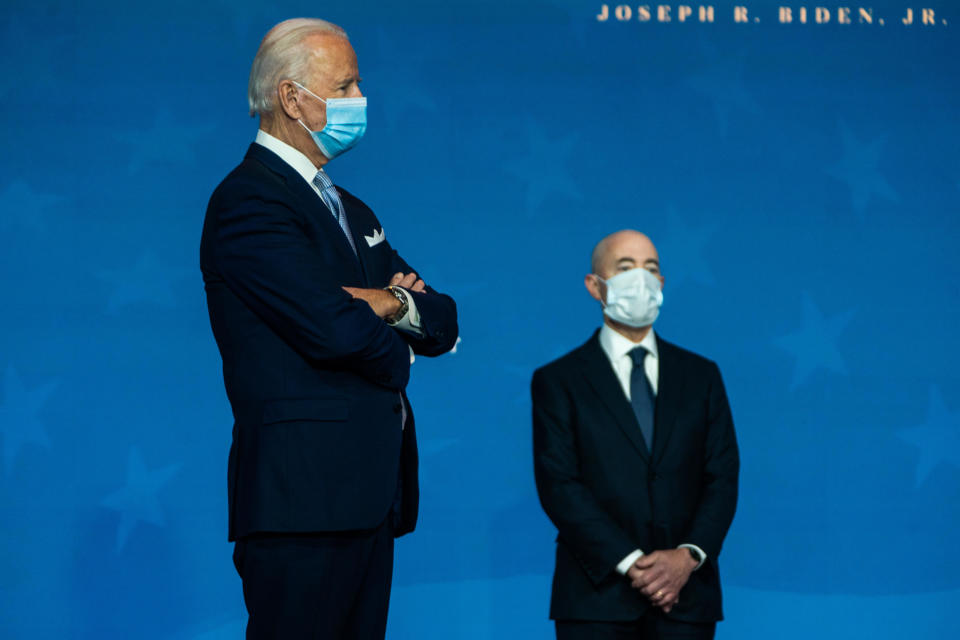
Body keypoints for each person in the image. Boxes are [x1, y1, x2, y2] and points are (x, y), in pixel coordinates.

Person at [199, 18, 458, 640]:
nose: (359, 99)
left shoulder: (355, 210)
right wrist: (396, 344)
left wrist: (390, 304)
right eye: (345, 85)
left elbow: (443, 321)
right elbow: (332, 329)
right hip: (302, 505)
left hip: (369, 500)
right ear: (293, 98)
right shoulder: (249, 202)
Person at [531, 230, 738, 640]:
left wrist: (686, 557)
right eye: (625, 268)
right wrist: (631, 563)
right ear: (595, 286)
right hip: (595, 596)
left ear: (661, 285)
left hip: (687, 598)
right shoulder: (558, 380)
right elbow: (559, 483)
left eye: (651, 269)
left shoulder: (703, 376)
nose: (640, 279)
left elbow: (723, 476)